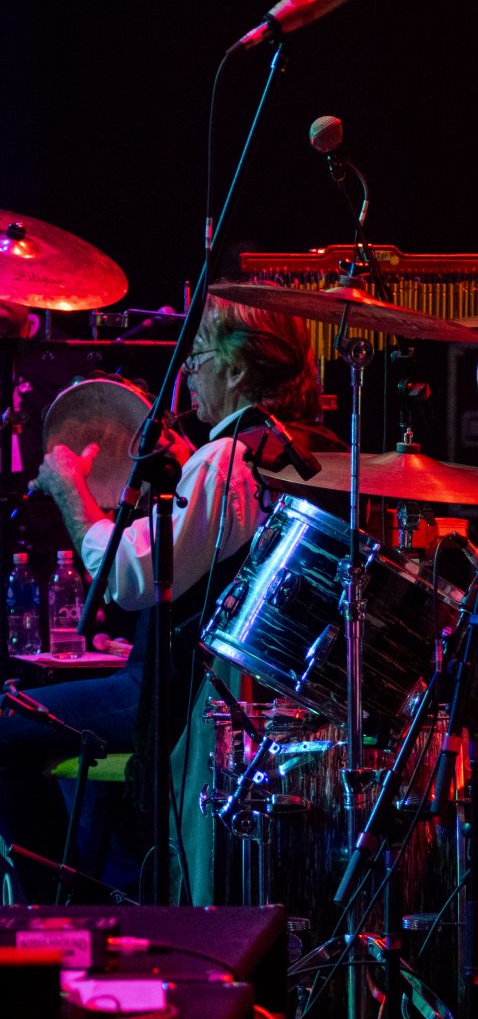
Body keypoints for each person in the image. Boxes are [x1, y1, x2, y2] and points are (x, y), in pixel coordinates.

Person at [0, 290, 339, 902]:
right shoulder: (286, 448)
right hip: (228, 694)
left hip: (177, 695)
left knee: (6, 725)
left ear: (235, 370)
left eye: (199, 355)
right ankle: (111, 884)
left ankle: (79, 903)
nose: (187, 371)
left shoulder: (226, 458)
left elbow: (130, 577)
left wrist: (71, 489)